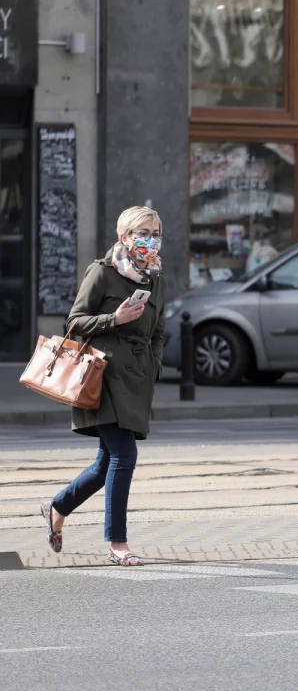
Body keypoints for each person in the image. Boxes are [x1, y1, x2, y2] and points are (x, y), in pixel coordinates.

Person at [40, 206, 167, 566]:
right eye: (143, 232)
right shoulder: (102, 272)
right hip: (103, 378)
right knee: (125, 456)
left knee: (106, 461)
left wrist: (154, 367)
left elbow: (159, 332)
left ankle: (57, 507)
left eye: (156, 233)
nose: (151, 240)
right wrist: (116, 318)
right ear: (124, 236)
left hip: (137, 379)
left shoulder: (157, 277)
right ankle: (117, 544)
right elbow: (74, 321)